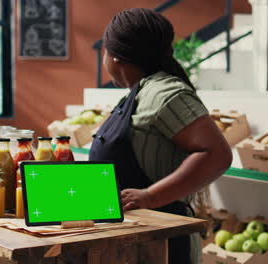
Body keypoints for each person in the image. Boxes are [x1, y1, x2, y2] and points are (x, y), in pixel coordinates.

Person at [89, 8, 233, 264]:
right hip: (130, 242)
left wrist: (150, 196)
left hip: (161, 246)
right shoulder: (138, 94)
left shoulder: (166, 93)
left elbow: (217, 154)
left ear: (115, 56)